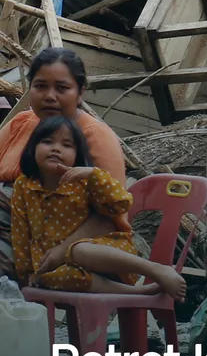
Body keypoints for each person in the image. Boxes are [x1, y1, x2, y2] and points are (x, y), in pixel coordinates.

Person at [11, 115, 185, 299]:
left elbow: (122, 203)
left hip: (104, 253)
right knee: (49, 277)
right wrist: (26, 272)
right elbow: (20, 231)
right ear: (32, 148)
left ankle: (156, 269)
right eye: (47, 141)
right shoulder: (24, 185)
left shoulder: (85, 182)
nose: (56, 148)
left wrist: (95, 175)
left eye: (67, 145)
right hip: (62, 266)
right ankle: (136, 293)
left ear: (77, 155)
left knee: (78, 250)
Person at [0, 46, 128, 278]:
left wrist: (60, 251)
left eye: (62, 88)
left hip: (59, 245)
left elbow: (110, 215)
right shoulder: (21, 122)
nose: (50, 96)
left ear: (80, 93)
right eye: (40, 86)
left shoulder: (95, 137)